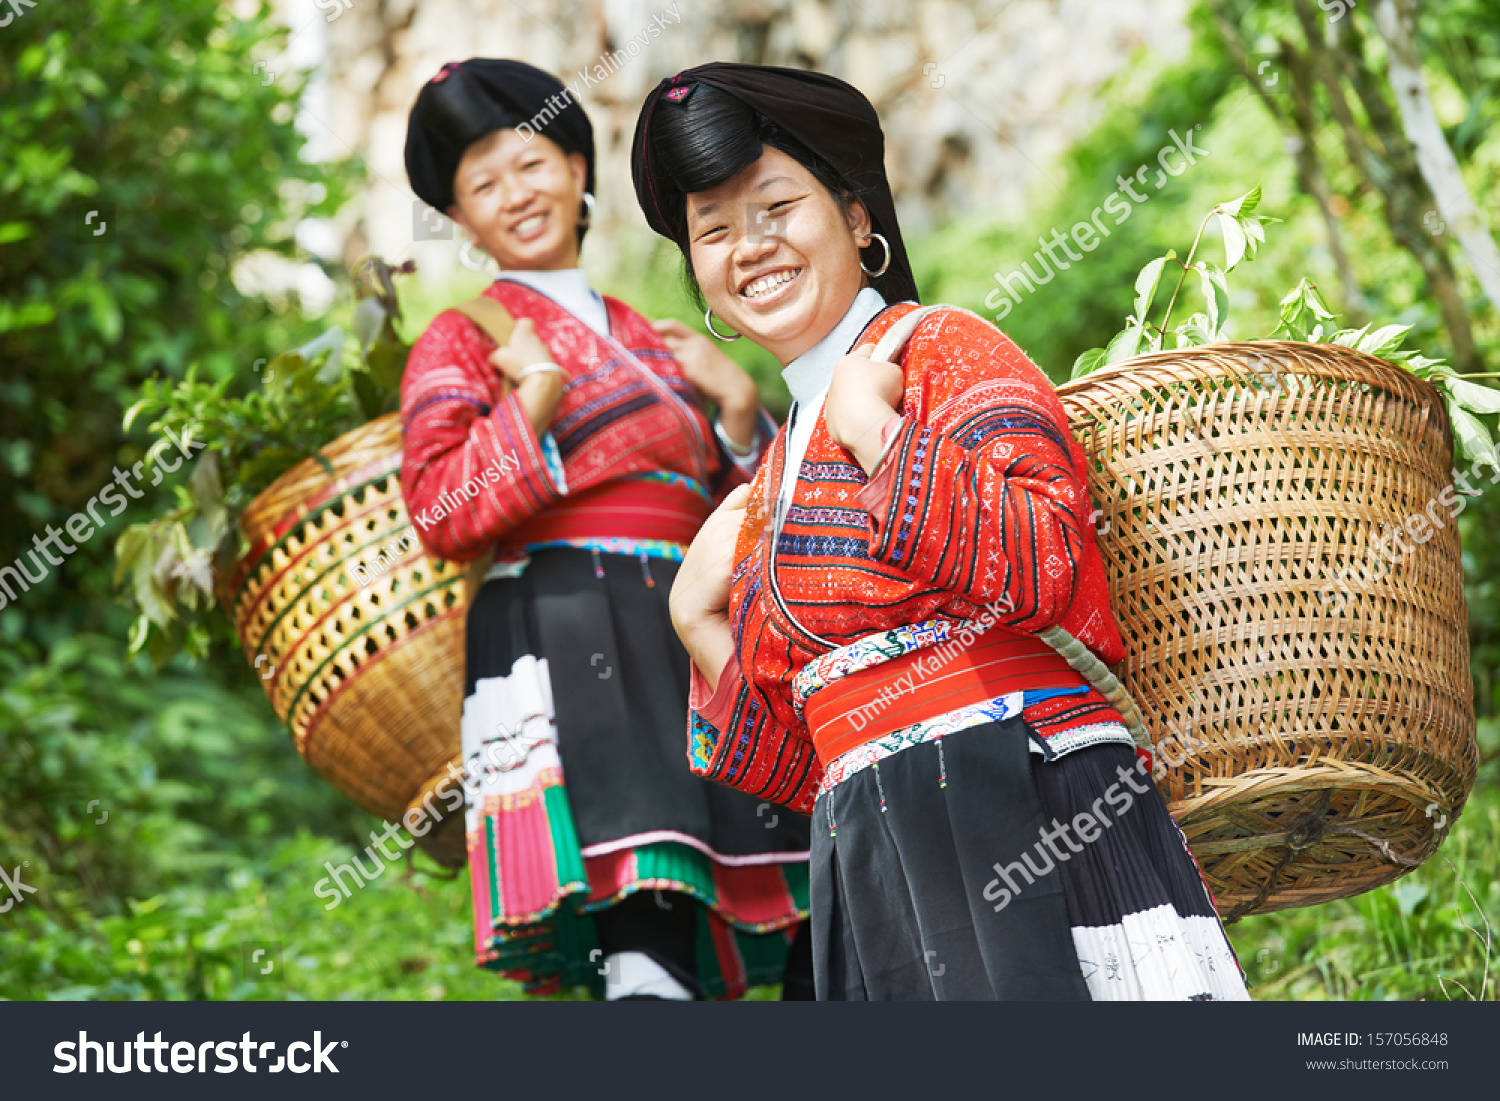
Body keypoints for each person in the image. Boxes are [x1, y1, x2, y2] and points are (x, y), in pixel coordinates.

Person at [631, 62, 1249, 1001]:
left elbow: (1051, 561)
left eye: (776, 207)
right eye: (712, 230)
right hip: (879, 862)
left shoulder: (941, 350)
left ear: (857, 217)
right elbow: (814, 765)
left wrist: (881, 437)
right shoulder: (767, 485)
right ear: (704, 286)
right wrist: (697, 620)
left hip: (1029, 804)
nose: (749, 246)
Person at [401, 59, 812, 1001]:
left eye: (531, 163)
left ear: (580, 168)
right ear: (461, 220)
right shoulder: (463, 337)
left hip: (691, 619)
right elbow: (438, 510)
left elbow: (751, 528)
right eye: (483, 184)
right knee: (644, 887)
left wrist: (740, 419)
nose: (516, 194)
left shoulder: (662, 338)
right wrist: (533, 402)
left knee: (795, 868)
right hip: (565, 623)